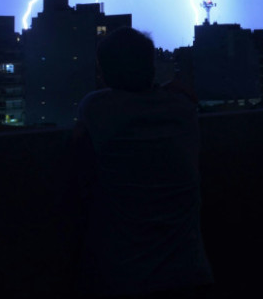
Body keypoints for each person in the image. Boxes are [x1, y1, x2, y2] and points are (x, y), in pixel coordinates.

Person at [68, 28, 213, 298]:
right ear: (152, 66)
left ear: (105, 75)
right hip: (192, 274)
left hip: (129, 278)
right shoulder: (182, 109)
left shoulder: (96, 108)